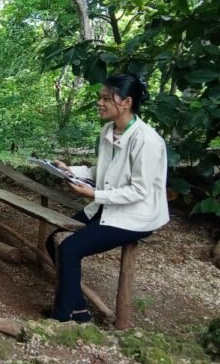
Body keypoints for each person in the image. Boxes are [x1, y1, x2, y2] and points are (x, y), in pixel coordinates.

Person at [46, 73, 169, 323]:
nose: (99, 103)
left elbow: (139, 191)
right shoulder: (108, 131)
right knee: (54, 241)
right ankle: (78, 309)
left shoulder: (146, 140)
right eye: (99, 98)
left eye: (105, 98)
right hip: (108, 205)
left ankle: (62, 318)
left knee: (70, 248)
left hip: (136, 215)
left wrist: (94, 193)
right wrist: (70, 170)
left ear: (125, 102)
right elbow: (101, 171)